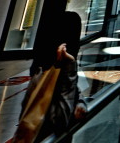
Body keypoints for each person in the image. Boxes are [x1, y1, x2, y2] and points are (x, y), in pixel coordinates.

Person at [13, 11, 85, 143]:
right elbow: (60, 122)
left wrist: (80, 104)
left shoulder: (52, 70)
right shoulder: (44, 75)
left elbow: (76, 92)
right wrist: (70, 68)